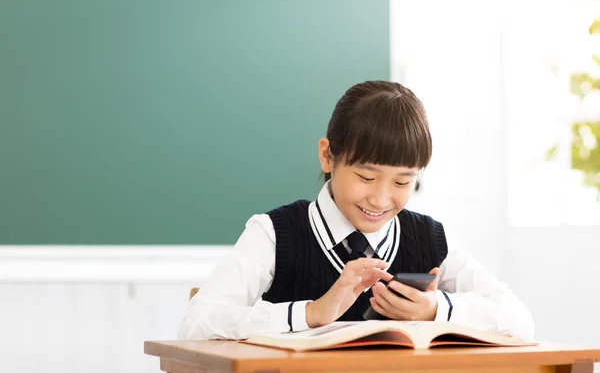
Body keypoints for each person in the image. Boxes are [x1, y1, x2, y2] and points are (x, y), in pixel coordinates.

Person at [177, 80, 534, 341]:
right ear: (327, 156)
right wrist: (311, 313)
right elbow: (196, 324)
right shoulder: (273, 234)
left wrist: (436, 309)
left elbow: (519, 320)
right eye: (366, 176)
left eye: (401, 183)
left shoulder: (431, 238)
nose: (380, 199)